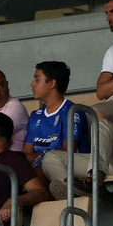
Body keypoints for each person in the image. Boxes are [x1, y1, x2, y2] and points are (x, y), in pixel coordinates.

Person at [27, 60, 97, 199]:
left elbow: (68, 150)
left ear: (52, 83)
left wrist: (38, 157)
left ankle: (67, 193)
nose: (32, 84)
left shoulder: (72, 111)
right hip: (39, 167)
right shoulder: (35, 116)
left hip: (69, 166)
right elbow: (27, 153)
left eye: (37, 79)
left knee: (39, 169)